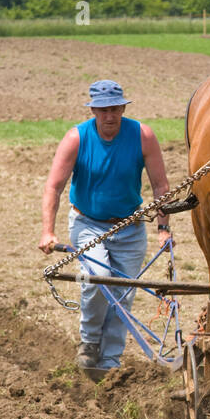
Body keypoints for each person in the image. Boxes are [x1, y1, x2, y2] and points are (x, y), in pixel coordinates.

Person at [39, 79, 172, 374]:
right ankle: (89, 342)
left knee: (123, 292)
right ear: (93, 111)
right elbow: (54, 186)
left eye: (114, 108)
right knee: (98, 277)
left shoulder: (142, 136)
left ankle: (110, 361)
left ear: (123, 107)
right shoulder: (77, 138)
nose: (109, 115)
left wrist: (163, 226)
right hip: (87, 223)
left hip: (129, 226)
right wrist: (48, 230)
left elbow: (160, 184)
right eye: (102, 110)